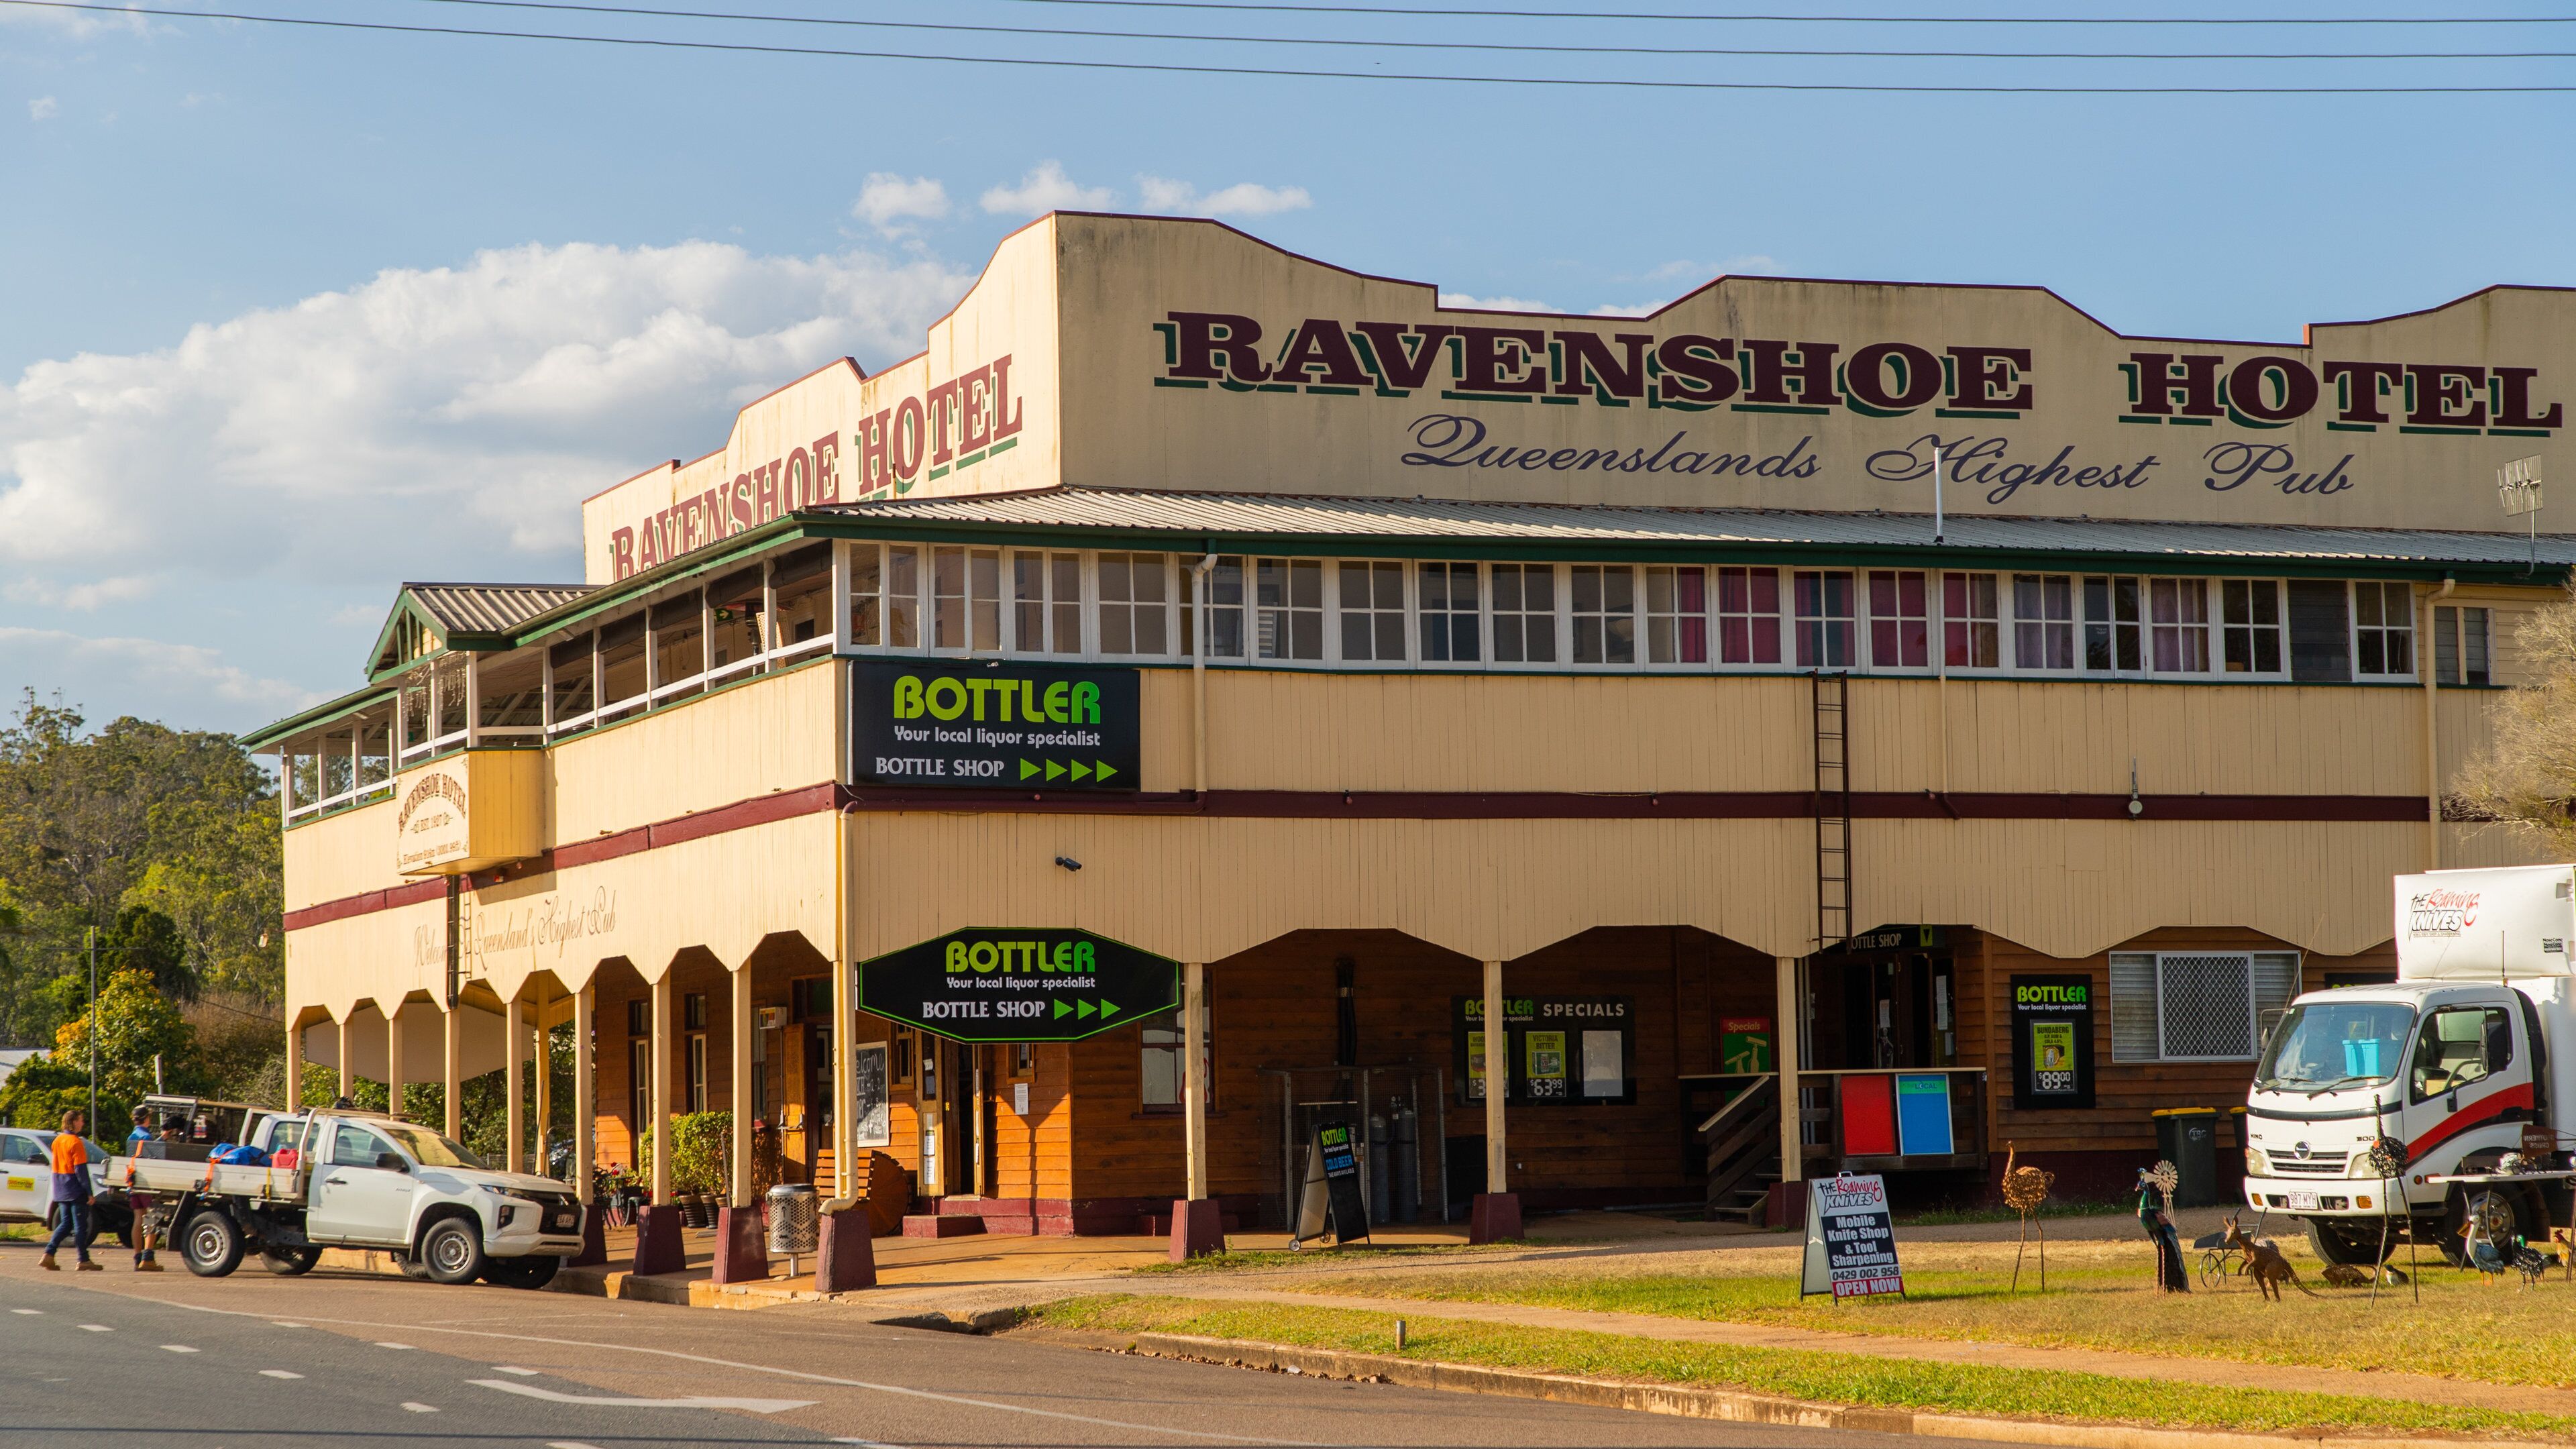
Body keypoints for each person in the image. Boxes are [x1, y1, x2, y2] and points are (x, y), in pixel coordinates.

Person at [40, 1109, 101, 1272]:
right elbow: (80, 1170)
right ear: (73, 1122)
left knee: (66, 1223)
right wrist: (89, 1192)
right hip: (75, 1188)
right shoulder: (76, 1142)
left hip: (60, 1186)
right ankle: (83, 1259)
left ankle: (49, 1254)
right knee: (80, 1226)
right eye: (81, 1120)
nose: (83, 1123)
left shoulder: (58, 1140)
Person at [2137, 1165, 2190, 1293]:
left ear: (2145, 1188)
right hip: (2152, 1228)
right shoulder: (2142, 1213)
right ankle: (2160, 1285)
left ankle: (2174, 1284)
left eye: (2141, 1186)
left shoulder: (2154, 1214)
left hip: (2164, 1232)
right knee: (2159, 1248)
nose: (2138, 1188)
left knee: (2164, 1247)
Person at [125, 1108, 163, 1273]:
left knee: (138, 1218)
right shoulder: (147, 1136)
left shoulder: (131, 1136)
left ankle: (137, 1256)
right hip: (146, 1183)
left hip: (133, 1182)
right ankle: (148, 1257)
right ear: (146, 1119)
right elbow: (154, 1157)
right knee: (151, 1217)